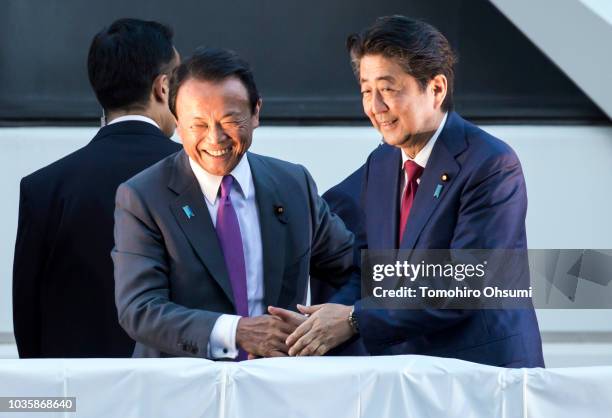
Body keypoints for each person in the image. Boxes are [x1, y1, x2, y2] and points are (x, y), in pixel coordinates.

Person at [272, 16, 545, 367]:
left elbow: (464, 285)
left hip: (483, 373)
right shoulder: (382, 163)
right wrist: (319, 321)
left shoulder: (492, 164)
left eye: (388, 89)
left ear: (436, 89)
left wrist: (354, 319)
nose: (375, 107)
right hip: (412, 371)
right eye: (366, 91)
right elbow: (369, 268)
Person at [112, 47, 355, 359]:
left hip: (278, 391)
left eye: (230, 120)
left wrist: (340, 319)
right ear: (176, 120)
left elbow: (353, 268)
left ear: (256, 113)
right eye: (198, 124)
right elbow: (140, 309)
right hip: (180, 395)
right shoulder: (144, 196)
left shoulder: (294, 185)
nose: (214, 138)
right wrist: (236, 332)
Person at [12, 18, 181, 358]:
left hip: (76, 399)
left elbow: (28, 322)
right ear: (162, 88)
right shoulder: (203, 178)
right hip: (177, 395)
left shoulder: (44, 188)